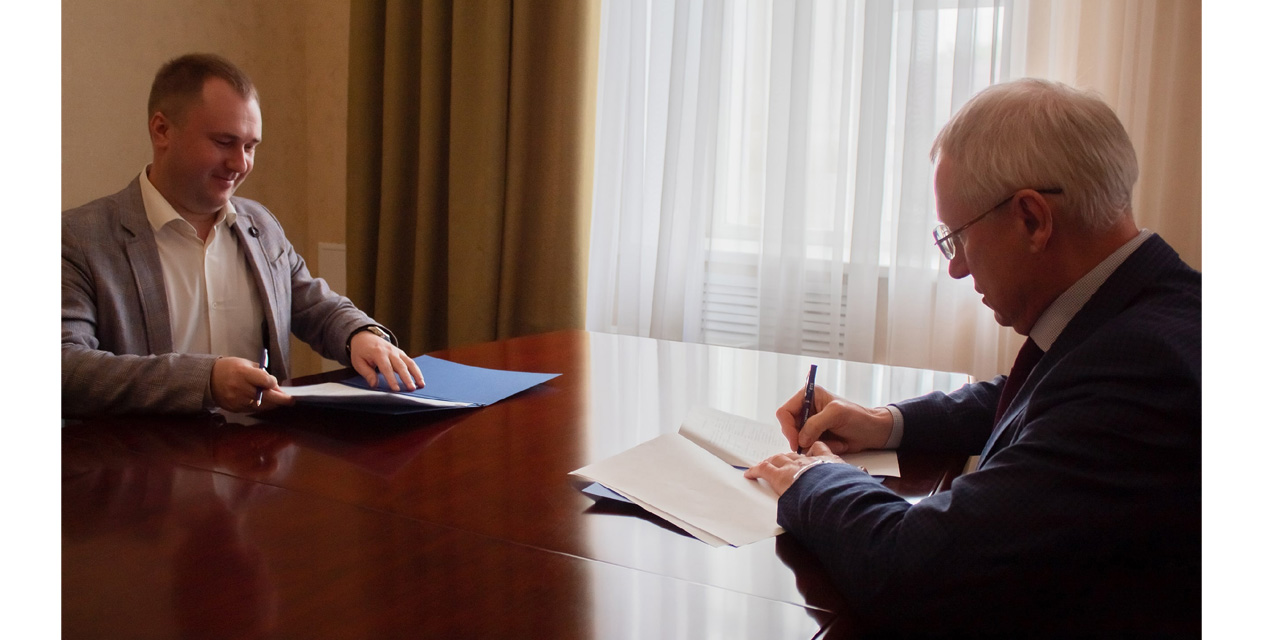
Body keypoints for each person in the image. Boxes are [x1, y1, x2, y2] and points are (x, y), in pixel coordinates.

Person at [746, 79, 1200, 637]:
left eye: (957, 238)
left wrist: (814, 478)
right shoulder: (1148, 308)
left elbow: (910, 570)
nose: (956, 268)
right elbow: (1034, 393)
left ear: (1032, 220)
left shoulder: (1143, 372)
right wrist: (886, 423)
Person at [63, 53, 424, 416]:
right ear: (162, 130)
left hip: (263, 445)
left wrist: (359, 335)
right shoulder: (78, 238)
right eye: (224, 142)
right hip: (146, 450)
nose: (241, 164)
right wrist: (204, 381)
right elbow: (65, 366)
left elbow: (313, 305)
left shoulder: (260, 224)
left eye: (250, 146)